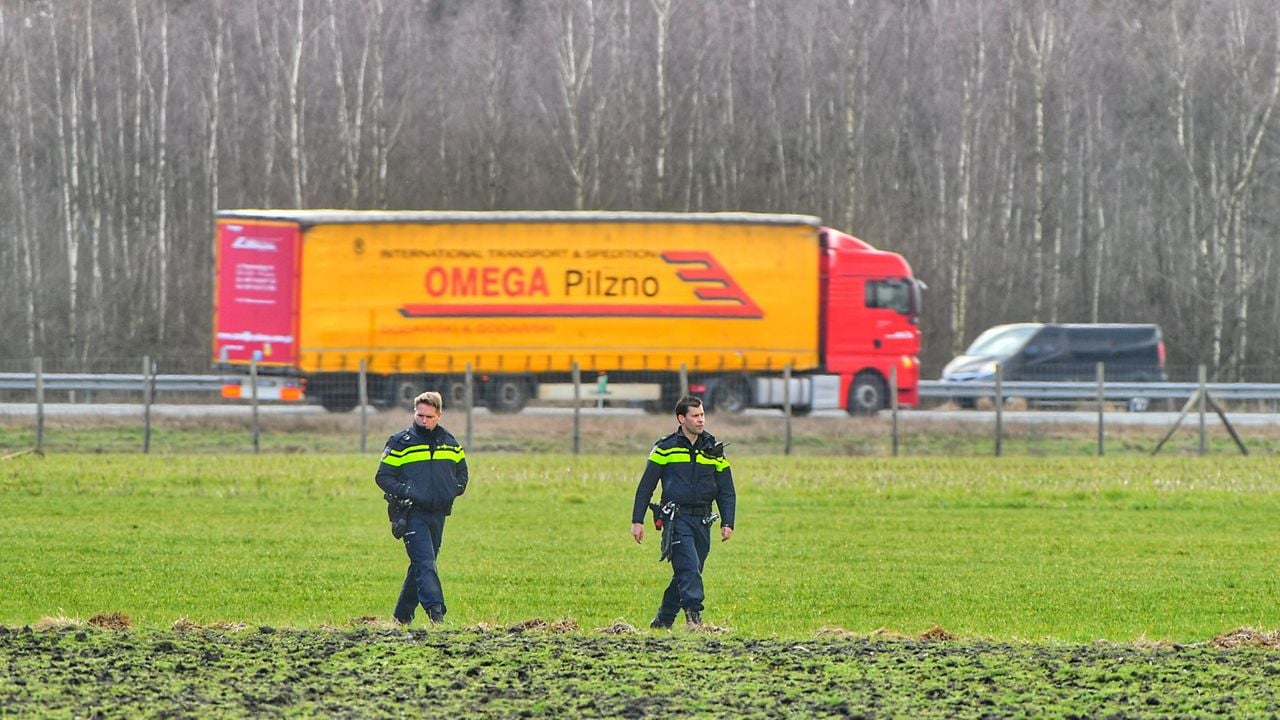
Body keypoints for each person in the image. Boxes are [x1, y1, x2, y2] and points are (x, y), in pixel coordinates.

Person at [631, 396, 736, 628]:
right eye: (695, 416)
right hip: (676, 519)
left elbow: (726, 489)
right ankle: (694, 618)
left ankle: (663, 620)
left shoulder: (713, 449)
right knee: (688, 568)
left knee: (690, 571)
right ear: (681, 418)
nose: (701, 420)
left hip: (703, 519)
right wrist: (637, 520)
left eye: (702, 415)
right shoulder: (665, 448)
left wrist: (728, 521)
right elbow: (646, 486)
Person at [375, 390, 469, 625]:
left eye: (428, 416)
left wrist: (453, 489)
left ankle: (401, 618)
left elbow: (462, 472)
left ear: (439, 415)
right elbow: (383, 477)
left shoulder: (450, 442)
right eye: (419, 415)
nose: (423, 420)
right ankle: (436, 613)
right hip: (411, 513)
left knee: (421, 564)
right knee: (426, 563)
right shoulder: (400, 442)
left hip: (438, 513)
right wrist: (408, 492)